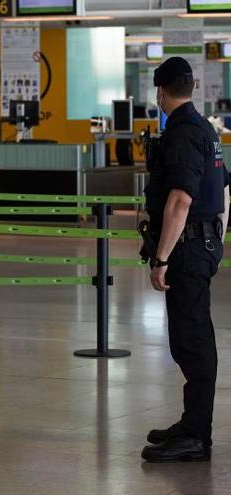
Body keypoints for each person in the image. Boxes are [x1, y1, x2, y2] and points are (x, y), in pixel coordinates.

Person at [142, 57, 231, 463]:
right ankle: (192, 422)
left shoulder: (179, 134)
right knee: (189, 338)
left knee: (192, 341)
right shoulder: (206, 130)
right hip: (203, 244)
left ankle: (196, 434)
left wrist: (161, 258)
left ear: (161, 91)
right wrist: (217, 239)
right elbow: (226, 192)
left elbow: (180, 200)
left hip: (187, 250)